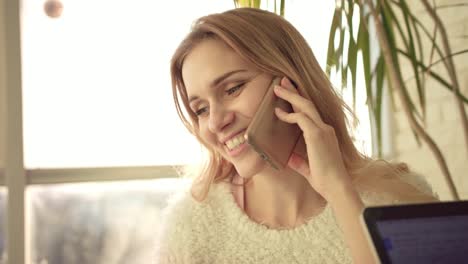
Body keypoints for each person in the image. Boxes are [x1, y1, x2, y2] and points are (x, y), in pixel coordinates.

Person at [155, 7, 437, 263]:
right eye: (201, 109)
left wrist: (339, 190)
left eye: (233, 89)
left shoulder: (399, 200)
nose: (215, 122)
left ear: (291, 81)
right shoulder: (192, 225)